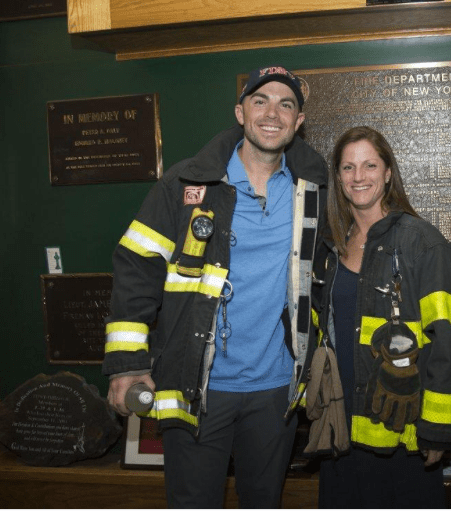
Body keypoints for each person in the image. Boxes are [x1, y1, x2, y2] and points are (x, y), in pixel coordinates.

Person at [103, 65, 327, 508]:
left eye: (286, 104)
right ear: (240, 112)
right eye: (260, 101)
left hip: (276, 390)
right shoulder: (186, 184)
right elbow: (135, 270)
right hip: (198, 388)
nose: (272, 113)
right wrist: (127, 364)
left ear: (298, 122)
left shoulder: (315, 188)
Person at [301, 126, 451, 508]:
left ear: (388, 172)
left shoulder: (422, 243)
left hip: (399, 431)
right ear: (338, 177)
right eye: (348, 168)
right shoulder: (331, 247)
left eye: (369, 165)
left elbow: (448, 339)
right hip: (341, 428)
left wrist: (440, 429)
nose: (358, 177)